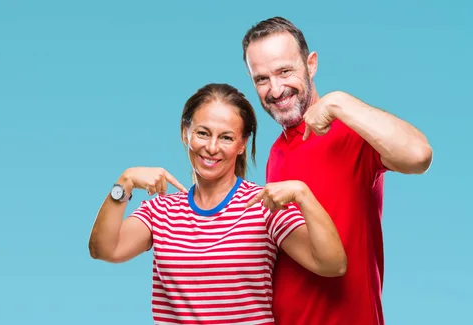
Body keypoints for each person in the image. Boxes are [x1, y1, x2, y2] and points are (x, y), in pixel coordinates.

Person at [88, 83, 347, 324]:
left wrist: (304, 194)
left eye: (226, 137)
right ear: (184, 133)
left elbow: (332, 264)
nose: (211, 147)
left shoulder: (263, 205)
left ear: (242, 144)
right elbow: (104, 250)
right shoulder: (160, 211)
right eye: (202, 133)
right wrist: (125, 182)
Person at [241, 16, 434, 325]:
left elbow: (419, 155)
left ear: (311, 64)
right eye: (261, 79)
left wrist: (339, 102)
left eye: (284, 71)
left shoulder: (351, 130)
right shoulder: (276, 152)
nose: (275, 89)